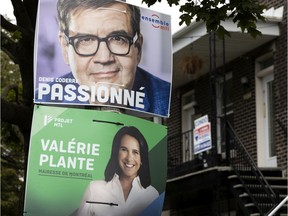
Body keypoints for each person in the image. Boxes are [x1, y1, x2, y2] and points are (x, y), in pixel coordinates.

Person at [36, 0, 171, 116]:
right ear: (65, 48)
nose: (104, 58)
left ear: (139, 48)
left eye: (118, 39)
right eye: (86, 40)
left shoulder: (167, 100)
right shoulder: (41, 105)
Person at [76, 126, 159, 216]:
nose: (129, 158)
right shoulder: (95, 189)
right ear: (116, 153)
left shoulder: (152, 195)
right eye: (124, 150)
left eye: (135, 152)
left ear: (142, 158)